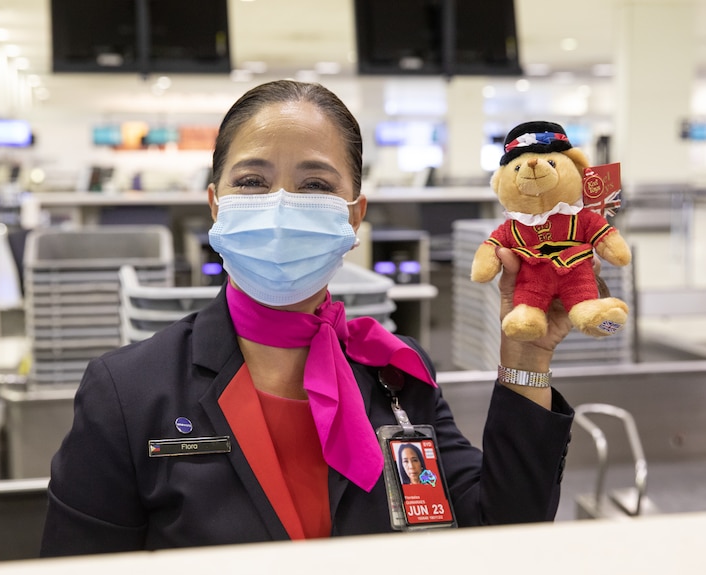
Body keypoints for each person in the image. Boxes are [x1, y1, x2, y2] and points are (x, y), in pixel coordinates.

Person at [40, 79, 575, 557]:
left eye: (316, 185)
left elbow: (505, 530)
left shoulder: (395, 371)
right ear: (215, 204)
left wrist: (527, 356)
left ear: (355, 214)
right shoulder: (128, 392)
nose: (279, 205)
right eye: (251, 181)